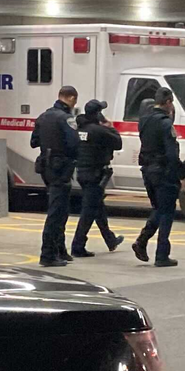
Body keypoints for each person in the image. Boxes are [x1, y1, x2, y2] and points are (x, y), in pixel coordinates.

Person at [30, 85, 81, 267]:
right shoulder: (66, 119)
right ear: (71, 98)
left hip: (46, 166)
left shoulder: (43, 116)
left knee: (60, 208)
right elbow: (74, 143)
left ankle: (60, 250)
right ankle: (48, 254)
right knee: (57, 212)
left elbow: (34, 141)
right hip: (61, 168)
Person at [131, 87, 181, 268]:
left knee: (159, 208)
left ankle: (142, 240)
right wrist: (180, 175)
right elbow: (171, 153)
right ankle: (161, 254)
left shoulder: (144, 120)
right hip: (163, 172)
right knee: (167, 212)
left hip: (148, 170)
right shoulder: (165, 123)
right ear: (168, 102)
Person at [70, 99, 125, 257]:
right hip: (95, 174)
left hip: (82, 172)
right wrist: (111, 127)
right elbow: (118, 143)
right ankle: (77, 245)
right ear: (97, 114)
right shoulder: (99, 130)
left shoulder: (80, 129)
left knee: (98, 208)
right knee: (88, 211)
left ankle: (110, 239)